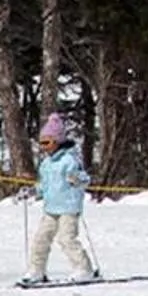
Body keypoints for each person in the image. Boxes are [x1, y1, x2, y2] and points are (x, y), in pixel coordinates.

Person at [20, 113, 97, 284]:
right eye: (41, 143)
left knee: (67, 238)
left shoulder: (70, 159)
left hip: (68, 208)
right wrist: (32, 191)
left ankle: (84, 269)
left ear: (57, 141)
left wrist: (77, 180)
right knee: (41, 238)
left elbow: (85, 179)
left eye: (47, 142)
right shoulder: (46, 164)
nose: (44, 147)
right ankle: (36, 270)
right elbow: (44, 186)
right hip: (51, 208)